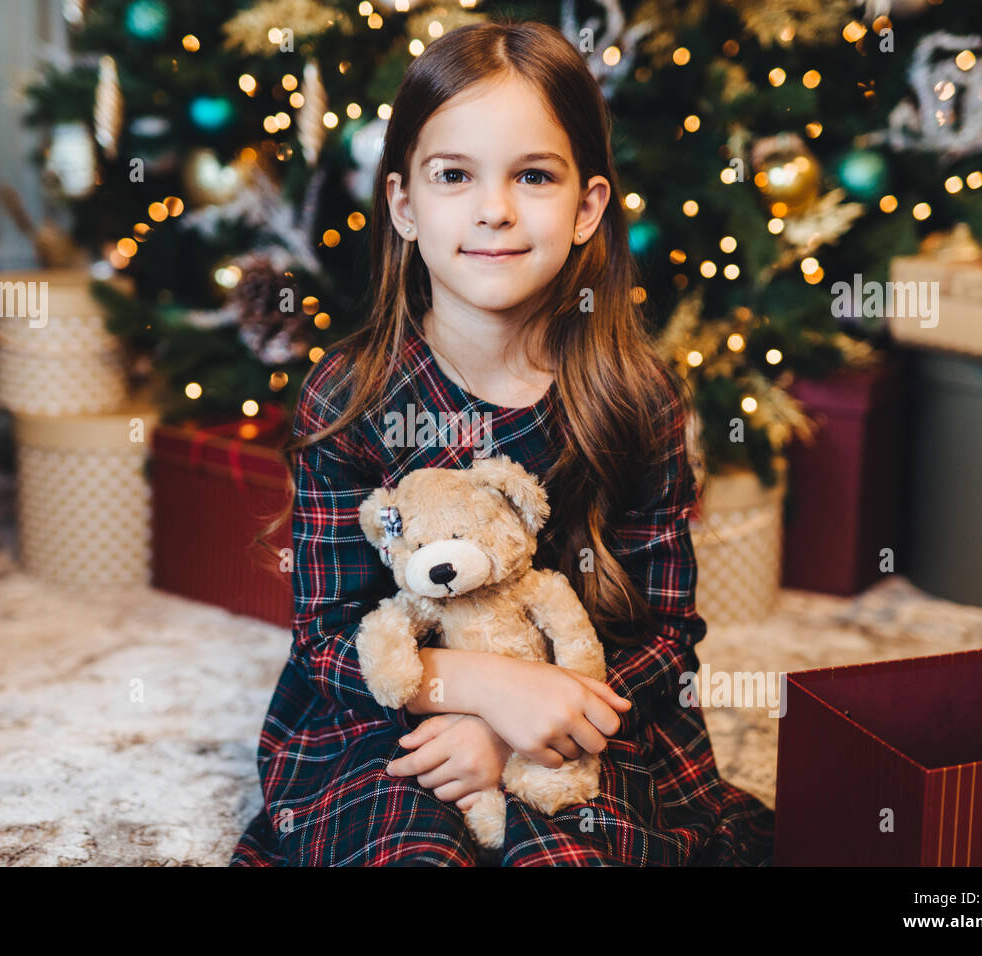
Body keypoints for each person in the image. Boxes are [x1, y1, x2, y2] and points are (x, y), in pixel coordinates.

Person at [229, 18, 774, 866]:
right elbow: (329, 636)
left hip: (582, 707)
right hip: (386, 715)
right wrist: (480, 694)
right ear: (404, 205)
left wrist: (530, 726)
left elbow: (664, 637)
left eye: (533, 175)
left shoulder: (636, 397)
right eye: (455, 175)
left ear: (588, 206)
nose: (494, 208)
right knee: (401, 845)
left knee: (576, 849)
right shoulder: (350, 395)